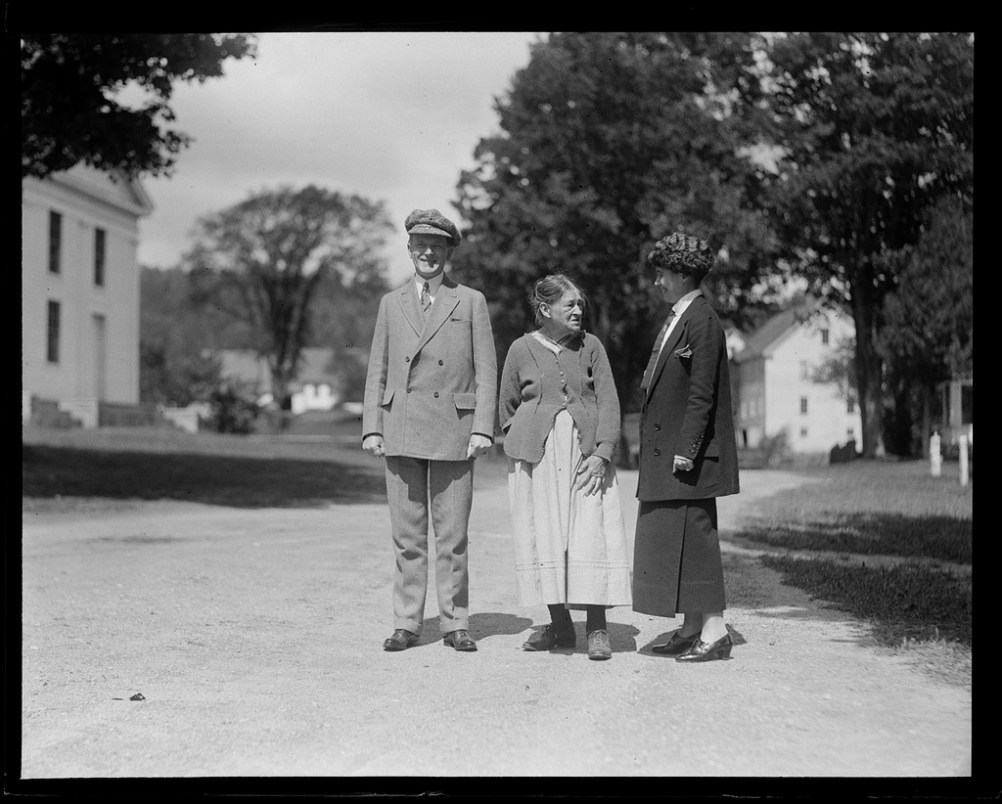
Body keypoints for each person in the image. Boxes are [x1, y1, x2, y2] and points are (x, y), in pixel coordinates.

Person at [362, 208, 497, 653]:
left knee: (453, 536)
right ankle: (406, 623)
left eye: (437, 246)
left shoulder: (470, 301)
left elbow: (486, 370)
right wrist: (371, 428)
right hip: (400, 426)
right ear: (409, 249)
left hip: (454, 431)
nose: (428, 253)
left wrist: (482, 428)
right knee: (407, 536)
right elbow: (377, 368)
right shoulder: (390, 302)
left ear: (449, 252)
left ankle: (456, 622)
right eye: (420, 245)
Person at [498, 274, 632, 661]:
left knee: (590, 534)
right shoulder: (520, 349)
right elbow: (507, 405)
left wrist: (602, 452)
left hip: (585, 455)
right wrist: (522, 435)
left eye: (579, 304)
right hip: (537, 459)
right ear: (545, 310)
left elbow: (608, 401)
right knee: (545, 535)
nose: (578, 310)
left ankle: (597, 629)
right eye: (569, 304)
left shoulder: (591, 347)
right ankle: (559, 626)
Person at [632, 232, 740, 663]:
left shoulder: (702, 319)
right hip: (670, 452)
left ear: (680, 275)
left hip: (686, 454)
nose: (657, 282)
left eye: (661, 274)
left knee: (696, 539)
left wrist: (688, 448)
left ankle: (715, 631)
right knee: (675, 537)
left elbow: (703, 393)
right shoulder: (683, 316)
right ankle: (693, 625)